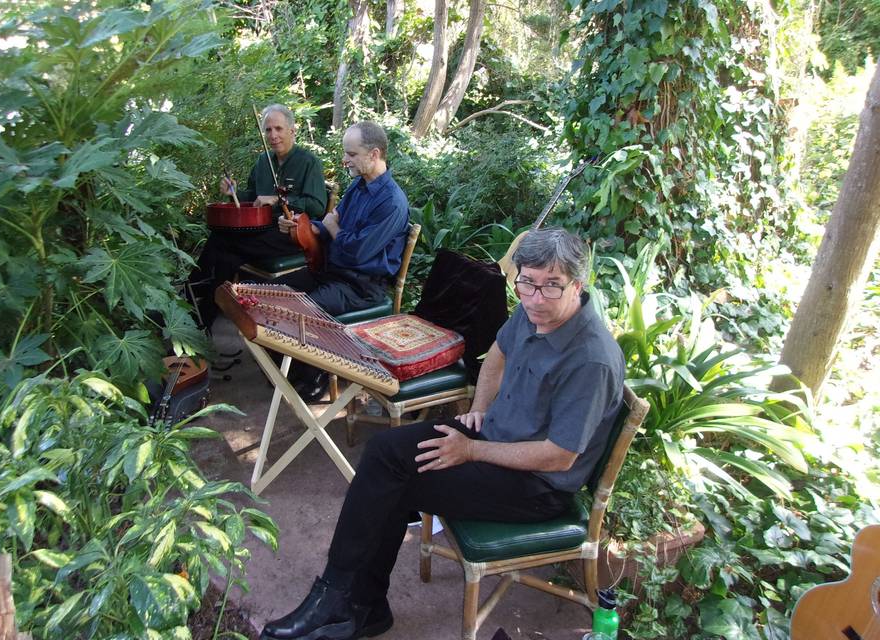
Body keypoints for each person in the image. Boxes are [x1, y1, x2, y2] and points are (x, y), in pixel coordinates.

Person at [259, 228, 626, 640]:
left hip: (536, 485)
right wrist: (479, 409)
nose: (536, 297)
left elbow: (559, 457)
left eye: (551, 287)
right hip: (492, 437)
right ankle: (342, 596)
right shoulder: (533, 308)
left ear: (578, 284)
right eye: (527, 282)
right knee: (384, 452)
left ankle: (352, 603)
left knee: (395, 484)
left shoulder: (592, 359)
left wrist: (469, 450)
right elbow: (497, 355)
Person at [273, 120, 410, 400]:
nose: (344, 159)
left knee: (306, 311)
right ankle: (286, 367)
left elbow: (357, 251)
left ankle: (315, 376)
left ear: (373, 154)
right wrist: (306, 228)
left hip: (361, 287)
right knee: (272, 294)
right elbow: (329, 226)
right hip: (332, 271)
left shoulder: (392, 202)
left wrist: (333, 227)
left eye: (351, 154)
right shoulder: (359, 186)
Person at [189, 104, 327, 331]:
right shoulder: (264, 161)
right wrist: (233, 192)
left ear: (292, 130)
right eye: (268, 130)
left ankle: (195, 306)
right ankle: (201, 314)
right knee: (222, 248)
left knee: (225, 247)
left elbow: (317, 206)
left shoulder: (308, 162)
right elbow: (253, 196)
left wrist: (278, 200)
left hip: (289, 234)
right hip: (261, 231)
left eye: (279, 129)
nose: (273, 136)